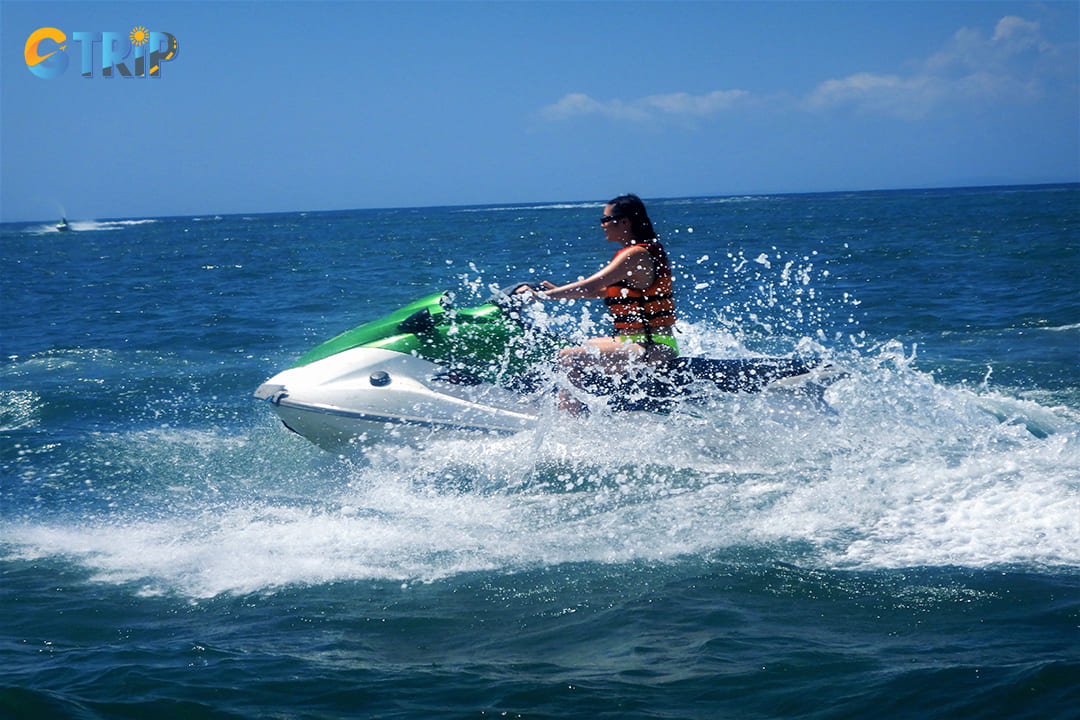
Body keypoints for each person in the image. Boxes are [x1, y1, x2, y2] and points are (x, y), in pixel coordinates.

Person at [518, 194, 678, 414]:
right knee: (579, 344)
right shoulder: (643, 251)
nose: (602, 225)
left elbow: (590, 286)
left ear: (625, 222)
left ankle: (568, 424)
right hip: (639, 341)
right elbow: (602, 291)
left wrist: (545, 295)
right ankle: (575, 407)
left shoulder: (636, 255)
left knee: (569, 357)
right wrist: (558, 292)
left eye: (605, 220)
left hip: (652, 347)